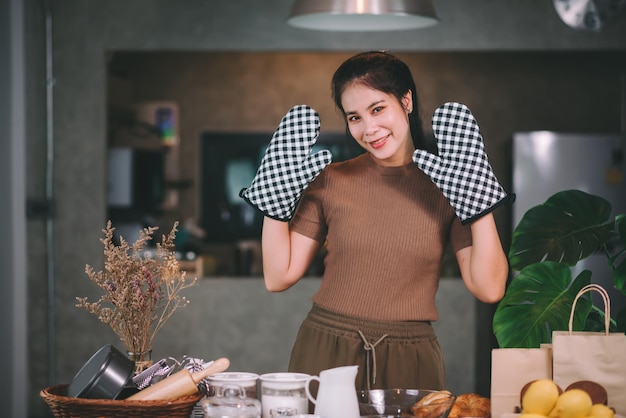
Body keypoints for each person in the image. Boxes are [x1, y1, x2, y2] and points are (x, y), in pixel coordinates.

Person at [240, 50, 512, 392]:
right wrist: (273, 204)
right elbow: (278, 277)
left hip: (410, 357)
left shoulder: (449, 182)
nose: (369, 129)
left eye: (378, 108)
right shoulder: (331, 179)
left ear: (406, 101)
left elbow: (489, 288)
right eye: (354, 117)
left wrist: (479, 203)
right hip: (326, 348)